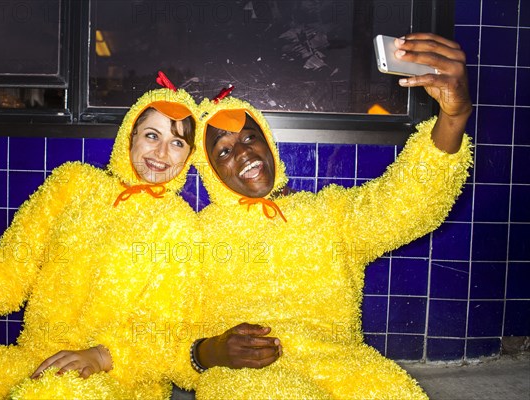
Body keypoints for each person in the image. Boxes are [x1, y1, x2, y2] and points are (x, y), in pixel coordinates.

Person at [185, 33, 473, 399]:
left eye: (248, 139)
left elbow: (403, 203)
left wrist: (453, 116)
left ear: (268, 145)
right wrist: (212, 351)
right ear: (209, 170)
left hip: (341, 365)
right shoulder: (196, 235)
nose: (242, 154)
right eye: (223, 152)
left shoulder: (327, 214)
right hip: (245, 378)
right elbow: (169, 332)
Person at [0, 74, 201, 399]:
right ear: (130, 136)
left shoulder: (180, 224)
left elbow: (164, 328)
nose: (160, 152)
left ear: (188, 155)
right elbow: (5, 271)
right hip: (32, 362)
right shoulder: (72, 184)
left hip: (118, 381)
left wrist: (98, 356)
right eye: (152, 135)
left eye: (177, 142)